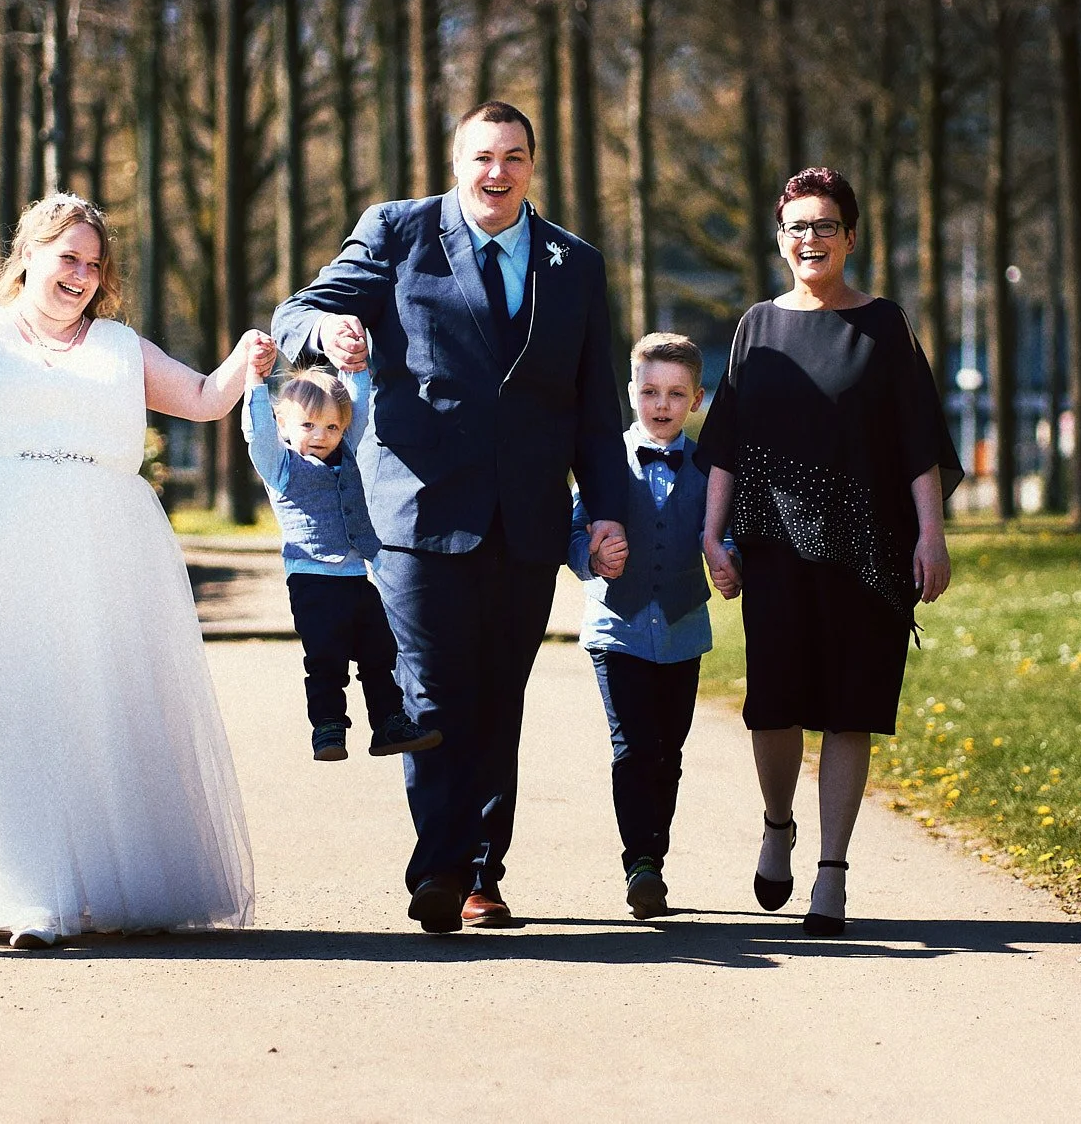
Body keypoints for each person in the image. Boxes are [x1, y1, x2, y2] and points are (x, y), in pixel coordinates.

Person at [0, 192, 270, 948]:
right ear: (29, 256)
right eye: (67, 258)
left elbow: (205, 399)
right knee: (3, 709)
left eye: (93, 264)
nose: (81, 275)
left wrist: (245, 360)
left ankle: (81, 889)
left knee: (88, 709)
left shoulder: (120, 346)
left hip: (100, 554)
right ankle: (16, 892)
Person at [273, 100, 628, 933]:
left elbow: (591, 404)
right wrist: (330, 328)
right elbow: (298, 311)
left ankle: (482, 873)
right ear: (456, 162)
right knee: (431, 697)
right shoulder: (399, 231)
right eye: (481, 158)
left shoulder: (572, 263)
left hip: (529, 522)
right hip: (418, 515)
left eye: (512, 158)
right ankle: (439, 871)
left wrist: (606, 513)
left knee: (498, 700)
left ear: (531, 166)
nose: (495, 174)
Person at [697, 166, 961, 937]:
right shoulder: (756, 325)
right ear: (781, 240)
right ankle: (779, 824)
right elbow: (726, 444)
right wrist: (712, 534)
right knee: (773, 709)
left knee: (852, 713)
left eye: (825, 226)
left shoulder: (886, 325)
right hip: (775, 547)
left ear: (850, 236)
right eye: (797, 228)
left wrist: (931, 537)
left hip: (871, 555)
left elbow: (919, 442)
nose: (810, 240)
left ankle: (832, 875)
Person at [567, 333, 715, 921]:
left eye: (676, 394)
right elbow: (573, 532)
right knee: (632, 747)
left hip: (683, 627)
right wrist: (592, 558)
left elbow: (721, 530)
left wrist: (727, 558)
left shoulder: (708, 468)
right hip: (617, 627)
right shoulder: (604, 461)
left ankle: (657, 852)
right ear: (632, 393)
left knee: (667, 751)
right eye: (650, 391)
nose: (661, 404)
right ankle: (641, 865)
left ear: (696, 399)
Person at [242, 366, 441, 762]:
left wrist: (357, 369)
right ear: (284, 424)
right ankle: (329, 725)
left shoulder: (345, 453)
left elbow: (360, 409)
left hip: (356, 575)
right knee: (326, 656)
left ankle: (388, 722)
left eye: (332, 428)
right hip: (312, 581)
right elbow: (258, 433)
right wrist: (255, 382)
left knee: (379, 651)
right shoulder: (280, 466)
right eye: (309, 425)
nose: (321, 436)